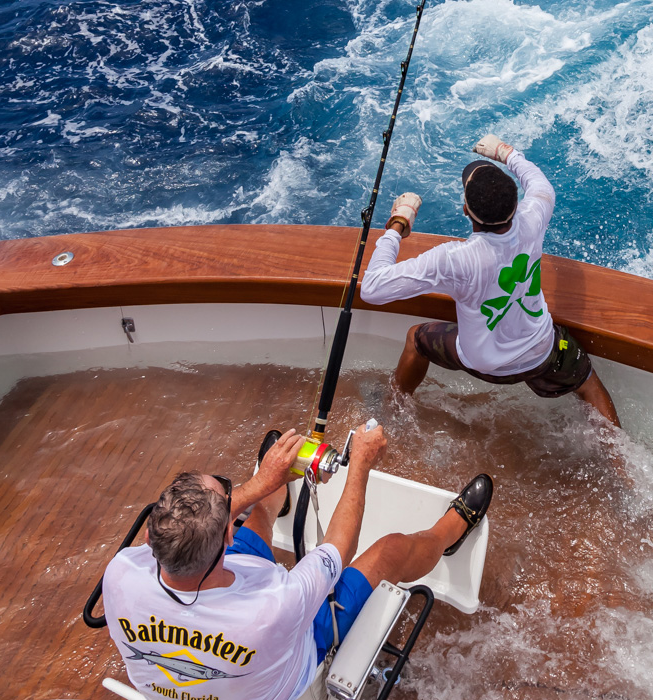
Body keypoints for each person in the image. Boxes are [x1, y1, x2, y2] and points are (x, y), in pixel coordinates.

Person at [102, 425, 493, 700]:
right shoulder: (275, 606)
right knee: (388, 552)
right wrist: (360, 465)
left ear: (151, 537)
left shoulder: (122, 574)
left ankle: (275, 498)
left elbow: (189, 529)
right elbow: (340, 547)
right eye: (227, 496)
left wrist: (261, 485)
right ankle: (448, 534)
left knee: (257, 518)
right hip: (298, 669)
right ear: (226, 537)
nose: (231, 494)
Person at [360, 134, 620, 426]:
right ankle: (624, 467)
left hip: (483, 363)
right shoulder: (533, 218)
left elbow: (372, 287)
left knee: (416, 339)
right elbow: (539, 183)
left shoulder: (453, 260)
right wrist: (506, 153)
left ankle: (390, 414)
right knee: (587, 383)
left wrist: (399, 223)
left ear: (466, 211)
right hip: (541, 351)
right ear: (516, 204)